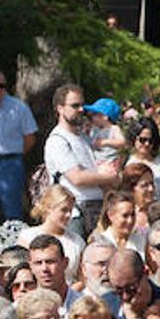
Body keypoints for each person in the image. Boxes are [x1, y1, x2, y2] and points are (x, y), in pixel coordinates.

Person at [43, 84, 118, 233]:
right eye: (75, 105)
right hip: (75, 213)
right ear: (60, 108)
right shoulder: (58, 140)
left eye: (82, 105)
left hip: (96, 208)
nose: (81, 110)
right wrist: (110, 177)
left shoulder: (83, 137)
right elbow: (77, 178)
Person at [0, 70, 39, 222]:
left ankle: (16, 243)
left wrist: (14, 155)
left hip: (11, 164)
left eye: (2, 86)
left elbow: (30, 138)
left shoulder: (19, 108)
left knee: (13, 211)